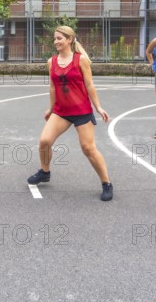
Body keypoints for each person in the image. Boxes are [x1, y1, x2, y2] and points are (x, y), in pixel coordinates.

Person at [27, 26, 113, 201]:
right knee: (44, 141)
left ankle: (106, 183)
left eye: (59, 38)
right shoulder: (51, 62)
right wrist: (51, 108)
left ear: (70, 40)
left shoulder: (81, 60)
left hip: (81, 110)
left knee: (88, 148)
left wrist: (98, 107)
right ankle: (45, 172)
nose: (56, 41)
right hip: (61, 111)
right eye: (55, 39)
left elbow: (90, 85)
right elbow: (52, 86)